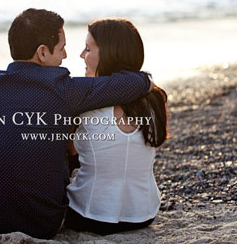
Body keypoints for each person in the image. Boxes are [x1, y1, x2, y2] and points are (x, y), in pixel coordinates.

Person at [0, 9, 154, 240]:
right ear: (42, 52)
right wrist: (148, 80)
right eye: (61, 48)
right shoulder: (66, 90)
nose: (66, 55)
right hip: (44, 224)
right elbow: (135, 82)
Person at [64, 18, 168, 235]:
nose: (82, 55)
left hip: (88, 214)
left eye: (88, 49)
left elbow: (70, 153)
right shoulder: (155, 100)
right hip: (144, 213)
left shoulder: (86, 104)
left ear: (108, 53)